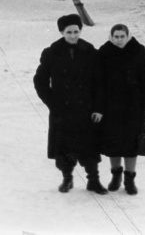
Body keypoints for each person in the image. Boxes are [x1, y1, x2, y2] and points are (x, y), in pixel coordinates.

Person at [33, 14, 107, 194]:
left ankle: (94, 180)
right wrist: (52, 102)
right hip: (62, 110)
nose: (73, 35)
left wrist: (98, 107)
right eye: (69, 32)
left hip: (86, 109)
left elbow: (100, 82)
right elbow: (40, 80)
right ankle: (67, 179)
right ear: (61, 32)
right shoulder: (52, 52)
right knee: (63, 147)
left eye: (76, 31)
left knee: (89, 146)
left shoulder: (90, 51)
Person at [99, 24, 145, 195]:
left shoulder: (138, 51)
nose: (119, 40)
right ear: (111, 36)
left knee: (131, 144)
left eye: (122, 36)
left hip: (134, 107)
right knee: (113, 143)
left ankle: (130, 179)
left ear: (128, 36)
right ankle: (116, 176)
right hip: (111, 107)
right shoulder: (104, 52)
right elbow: (98, 82)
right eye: (116, 36)